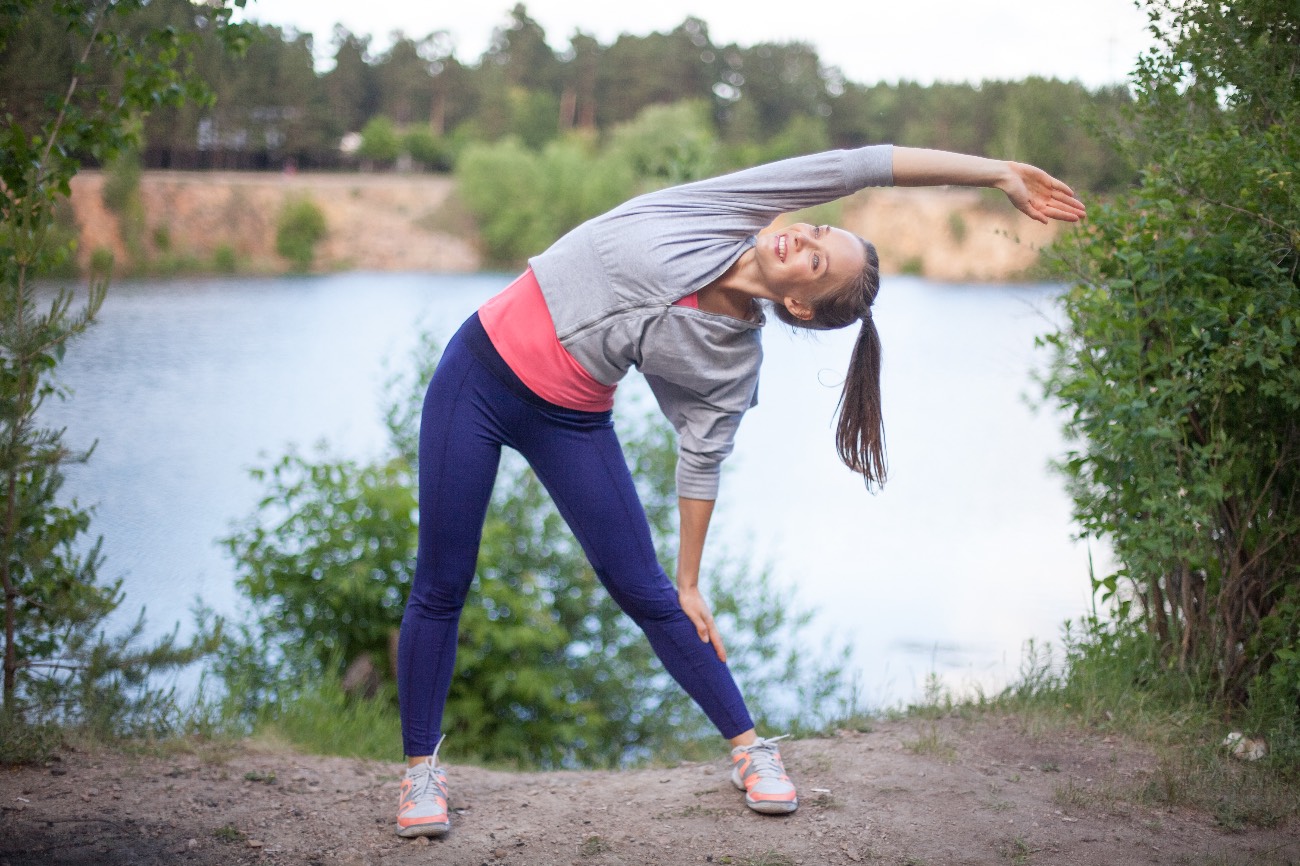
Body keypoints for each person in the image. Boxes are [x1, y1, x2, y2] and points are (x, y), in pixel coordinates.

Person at [394, 144, 1086, 838]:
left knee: (652, 593)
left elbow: (702, 459)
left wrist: (690, 578)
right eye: (818, 232)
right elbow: (863, 165)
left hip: (570, 418)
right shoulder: (724, 210)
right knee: (443, 581)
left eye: (815, 262)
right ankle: (421, 770)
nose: (803, 239)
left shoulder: (730, 360)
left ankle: (751, 750)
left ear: (799, 304)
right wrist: (996, 172)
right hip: (476, 378)